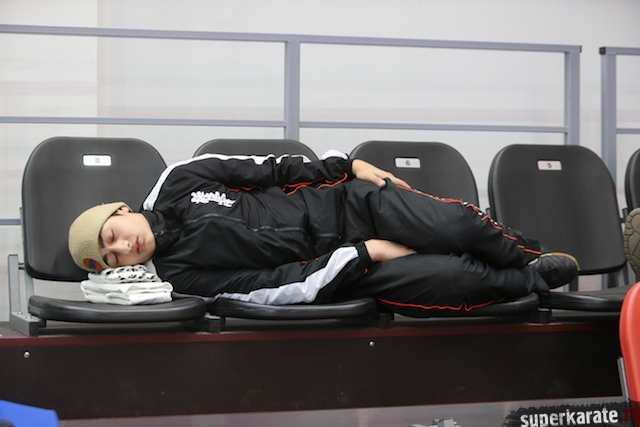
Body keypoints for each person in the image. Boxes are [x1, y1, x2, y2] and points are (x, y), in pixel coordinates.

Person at [68, 153, 579, 316]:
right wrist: (363, 254)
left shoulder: (179, 179)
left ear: (120, 210)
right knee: (453, 278)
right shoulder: (181, 279)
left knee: (458, 225)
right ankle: (531, 282)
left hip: (349, 204)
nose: (122, 247)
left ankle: (525, 255)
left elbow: (273, 169)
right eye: (112, 258)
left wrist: (348, 166)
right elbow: (272, 286)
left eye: (112, 234)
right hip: (345, 267)